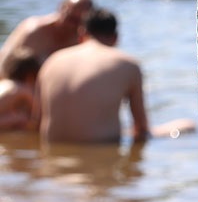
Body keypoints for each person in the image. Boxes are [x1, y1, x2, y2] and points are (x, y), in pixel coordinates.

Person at [37, 9, 149, 145]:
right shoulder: (128, 65)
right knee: (173, 128)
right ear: (115, 38)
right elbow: (141, 129)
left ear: (81, 34)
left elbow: (36, 121)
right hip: (101, 151)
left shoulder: (52, 61)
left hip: (52, 152)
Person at [0, 0, 94, 79]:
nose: (72, 26)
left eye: (79, 21)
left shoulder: (87, 40)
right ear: (61, 8)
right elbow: (3, 67)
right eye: (71, 19)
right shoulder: (34, 31)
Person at [0, 55, 39, 132]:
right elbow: (36, 110)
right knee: (23, 118)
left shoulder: (5, 83)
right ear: (30, 77)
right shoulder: (24, 89)